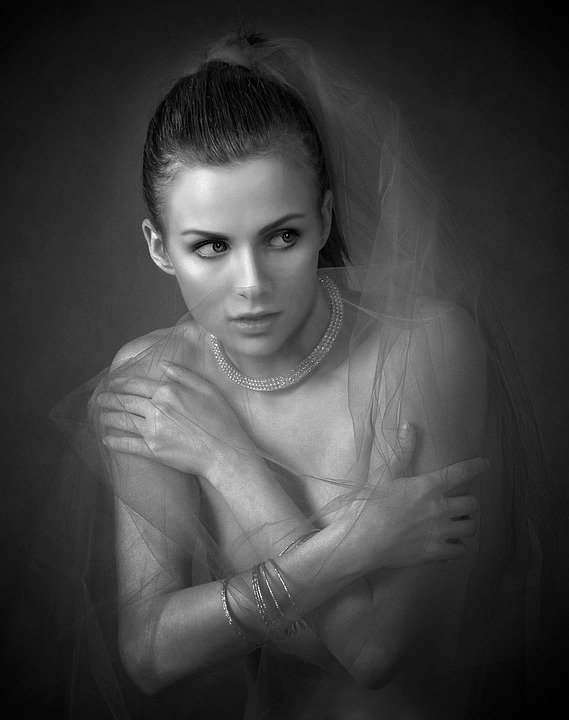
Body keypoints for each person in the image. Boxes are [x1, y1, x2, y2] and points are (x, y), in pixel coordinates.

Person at [5, 29, 565, 720]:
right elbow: (149, 652)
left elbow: (375, 652)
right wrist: (355, 543)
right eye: (211, 246)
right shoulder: (158, 383)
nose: (251, 285)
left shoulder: (425, 346)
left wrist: (227, 459)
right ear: (159, 247)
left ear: (323, 219)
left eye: (282, 236)